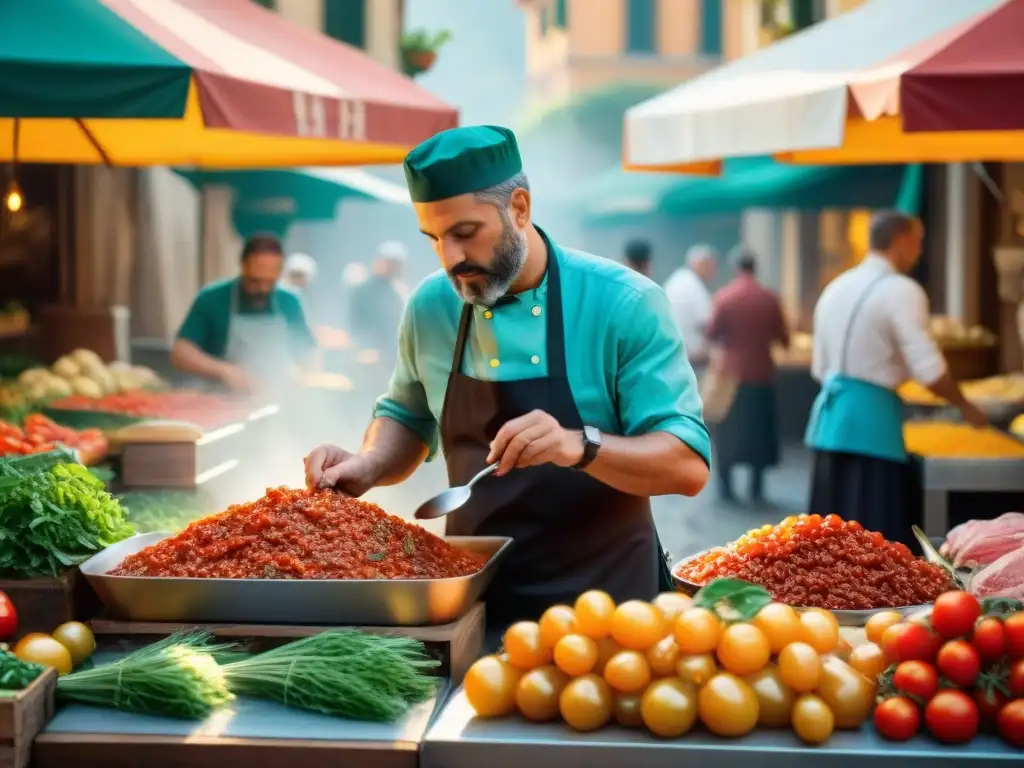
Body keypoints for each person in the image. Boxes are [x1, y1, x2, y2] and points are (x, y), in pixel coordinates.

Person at [304, 125, 711, 633]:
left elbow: (687, 466)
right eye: (434, 239)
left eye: (465, 233)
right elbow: (406, 415)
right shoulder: (431, 305)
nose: (451, 259)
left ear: (519, 208)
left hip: (612, 613)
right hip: (472, 604)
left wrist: (578, 445)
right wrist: (368, 464)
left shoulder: (625, 303)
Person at [806, 211, 987, 544]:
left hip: (829, 424)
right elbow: (929, 370)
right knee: (874, 543)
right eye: (918, 242)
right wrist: (966, 406)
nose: (919, 252)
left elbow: (818, 367)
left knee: (827, 545)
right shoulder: (902, 290)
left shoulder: (836, 285)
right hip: (872, 429)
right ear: (901, 241)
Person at [172, 233, 317, 394]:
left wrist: (300, 375)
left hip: (274, 400)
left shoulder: (290, 301)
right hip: (220, 400)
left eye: (269, 282)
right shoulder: (212, 298)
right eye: (255, 281)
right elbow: (181, 352)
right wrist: (223, 371)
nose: (262, 288)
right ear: (243, 265)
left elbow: (308, 352)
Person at [706, 247, 789, 504]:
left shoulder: (724, 297)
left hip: (731, 374)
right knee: (759, 430)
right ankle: (756, 487)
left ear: (735, 267)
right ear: (756, 267)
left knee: (728, 431)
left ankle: (726, 487)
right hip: (762, 373)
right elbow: (783, 338)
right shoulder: (769, 298)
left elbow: (711, 333)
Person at [348, 241, 409, 360]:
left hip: (394, 354)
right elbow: (356, 323)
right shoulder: (364, 290)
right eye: (390, 264)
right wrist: (364, 348)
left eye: (397, 265)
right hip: (369, 354)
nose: (393, 268)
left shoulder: (400, 291)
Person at [663, 245, 716, 370]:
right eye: (710, 266)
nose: (712, 271)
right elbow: (708, 323)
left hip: (673, 351)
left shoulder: (676, 279)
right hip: (693, 356)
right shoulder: (694, 286)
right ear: (699, 264)